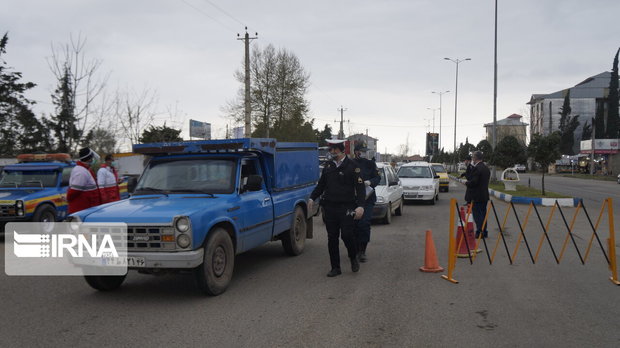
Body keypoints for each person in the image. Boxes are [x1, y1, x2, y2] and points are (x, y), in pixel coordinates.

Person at [308, 139, 366, 277]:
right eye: (330, 150)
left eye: (334, 149)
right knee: (332, 238)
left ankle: (353, 258)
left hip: (347, 207)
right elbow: (321, 185)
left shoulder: (353, 166)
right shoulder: (328, 166)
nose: (332, 152)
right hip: (330, 207)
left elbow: (360, 188)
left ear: (342, 150)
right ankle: (335, 267)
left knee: (347, 235)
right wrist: (312, 197)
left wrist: (361, 206)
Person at [352, 144, 381, 262]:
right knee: (353, 225)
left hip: (367, 199)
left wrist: (370, 182)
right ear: (355, 152)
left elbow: (377, 178)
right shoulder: (350, 163)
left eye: (365, 151)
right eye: (361, 151)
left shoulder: (370, 164)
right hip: (352, 199)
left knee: (364, 224)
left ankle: (362, 251)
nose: (363, 153)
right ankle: (354, 249)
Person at [67, 147, 102, 214]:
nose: (93, 160)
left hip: (87, 208)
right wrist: (68, 199)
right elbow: (74, 191)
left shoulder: (85, 170)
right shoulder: (81, 172)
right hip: (82, 210)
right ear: (89, 159)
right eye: (92, 158)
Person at [465, 151, 490, 238]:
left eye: (473, 157)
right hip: (484, 195)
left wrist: (467, 183)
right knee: (483, 215)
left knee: (478, 215)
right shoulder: (486, 168)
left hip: (477, 196)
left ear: (475, 158)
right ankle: (485, 231)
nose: (472, 159)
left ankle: (479, 232)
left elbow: (474, 182)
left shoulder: (477, 168)